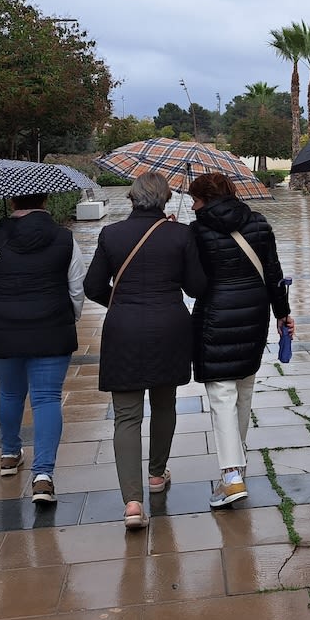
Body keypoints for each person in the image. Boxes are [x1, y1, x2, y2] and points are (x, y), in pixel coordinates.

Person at [84, 172, 207, 530]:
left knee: (126, 416)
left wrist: (119, 303)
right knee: (165, 402)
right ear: (166, 198)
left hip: (123, 327)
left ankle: (133, 503)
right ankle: (156, 475)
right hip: (169, 325)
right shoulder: (180, 234)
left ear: (132, 198)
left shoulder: (111, 235)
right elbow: (197, 286)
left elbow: (93, 286)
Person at [0, 192, 86, 507]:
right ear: (46, 200)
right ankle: (43, 475)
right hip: (51, 330)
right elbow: (77, 287)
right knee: (46, 398)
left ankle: (10, 454)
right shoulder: (65, 239)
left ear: (11, 203)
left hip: (1, 330)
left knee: (9, 393)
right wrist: (69, 316)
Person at [188, 173, 294, 508]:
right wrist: (282, 313)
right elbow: (274, 273)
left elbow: (194, 285)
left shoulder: (196, 231)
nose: (193, 205)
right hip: (254, 314)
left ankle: (231, 476)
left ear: (205, 198)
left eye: (195, 198)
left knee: (221, 395)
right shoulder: (259, 223)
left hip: (215, 317)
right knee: (244, 390)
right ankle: (238, 465)